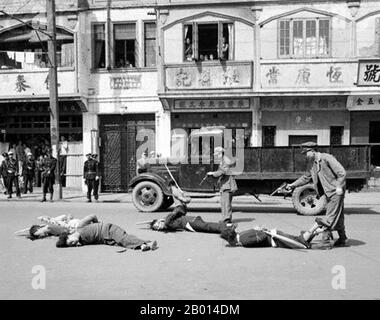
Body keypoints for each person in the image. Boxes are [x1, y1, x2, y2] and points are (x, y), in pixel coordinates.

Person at [285, 142, 348, 247]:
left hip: (335, 192)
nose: (305, 156)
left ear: (312, 151)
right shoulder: (312, 163)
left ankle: (317, 237)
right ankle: (342, 239)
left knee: (329, 217)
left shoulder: (326, 158)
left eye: (306, 153)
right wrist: (292, 185)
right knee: (338, 216)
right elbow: (306, 177)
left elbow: (342, 173)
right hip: (327, 193)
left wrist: (339, 186)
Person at [55, 215, 158, 252]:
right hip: (107, 239)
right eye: (71, 246)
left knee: (124, 239)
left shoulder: (80, 227)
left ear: (69, 236)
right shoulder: (81, 241)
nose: (73, 244)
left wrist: (98, 225)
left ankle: (147, 244)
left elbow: (92, 216)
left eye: (71, 242)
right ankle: (142, 246)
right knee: (123, 243)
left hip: (109, 229)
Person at [220, 225, 333, 250]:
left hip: (276, 239)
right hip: (276, 235)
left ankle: (315, 226)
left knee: (302, 245)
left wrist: (261, 231)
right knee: (299, 239)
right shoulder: (242, 233)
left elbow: (262, 237)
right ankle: (319, 229)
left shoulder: (244, 241)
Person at [207, 147, 237, 223]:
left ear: (220, 153)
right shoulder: (223, 161)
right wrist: (213, 172)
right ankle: (225, 219)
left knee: (226, 203)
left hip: (228, 185)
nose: (216, 156)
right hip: (224, 185)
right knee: (223, 203)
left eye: (217, 155)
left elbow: (222, 171)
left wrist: (213, 173)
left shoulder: (226, 161)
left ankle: (227, 219)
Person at [25, 214, 95, 241]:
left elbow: (65, 229)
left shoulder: (49, 227)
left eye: (38, 235)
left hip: (75, 226)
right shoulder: (49, 226)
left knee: (94, 226)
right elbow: (64, 216)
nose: (41, 236)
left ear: (37, 230)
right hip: (74, 224)